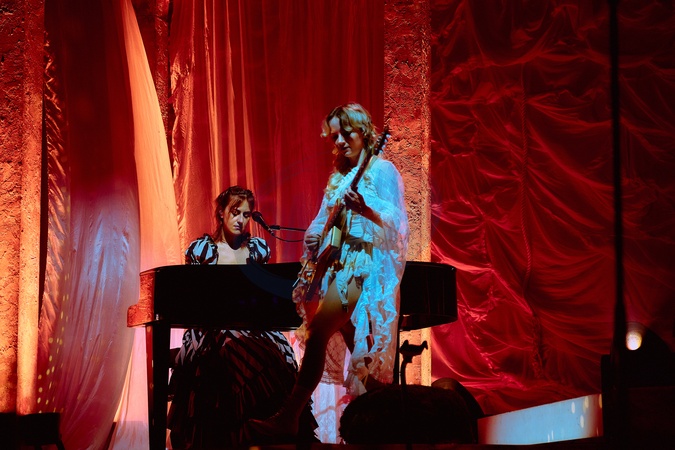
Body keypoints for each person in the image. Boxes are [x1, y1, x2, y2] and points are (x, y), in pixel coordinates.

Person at [250, 103, 409, 439]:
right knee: (354, 345)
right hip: (335, 268)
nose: (339, 142)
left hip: (362, 268)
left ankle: (289, 415)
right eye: (335, 136)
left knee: (320, 329)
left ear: (363, 131)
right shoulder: (339, 178)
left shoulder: (382, 171)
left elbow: (397, 223)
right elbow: (322, 221)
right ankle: (389, 417)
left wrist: (366, 209)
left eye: (345, 133)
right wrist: (313, 235)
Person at [167, 186, 317, 449]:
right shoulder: (203, 250)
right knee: (236, 350)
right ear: (221, 213)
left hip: (254, 325)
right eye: (235, 212)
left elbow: (264, 295)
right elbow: (193, 297)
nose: (240, 220)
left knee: (278, 354)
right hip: (211, 328)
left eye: (246, 214)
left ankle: (273, 425)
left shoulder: (257, 249)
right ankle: (238, 434)